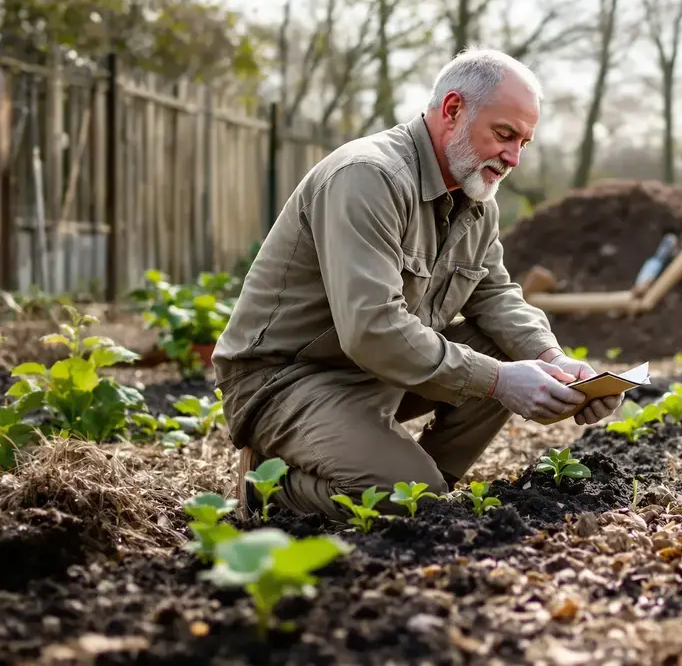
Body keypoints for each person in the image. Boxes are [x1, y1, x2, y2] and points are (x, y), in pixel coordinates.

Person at [213, 48, 624, 521]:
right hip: (287, 381)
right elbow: (371, 328)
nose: (512, 157)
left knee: (503, 361)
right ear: (452, 110)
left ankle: (420, 488)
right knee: (413, 492)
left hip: (374, 372)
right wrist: (499, 381)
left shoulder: (475, 197)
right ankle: (267, 485)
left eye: (523, 143)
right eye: (504, 134)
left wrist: (556, 364)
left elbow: (494, 294)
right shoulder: (367, 178)